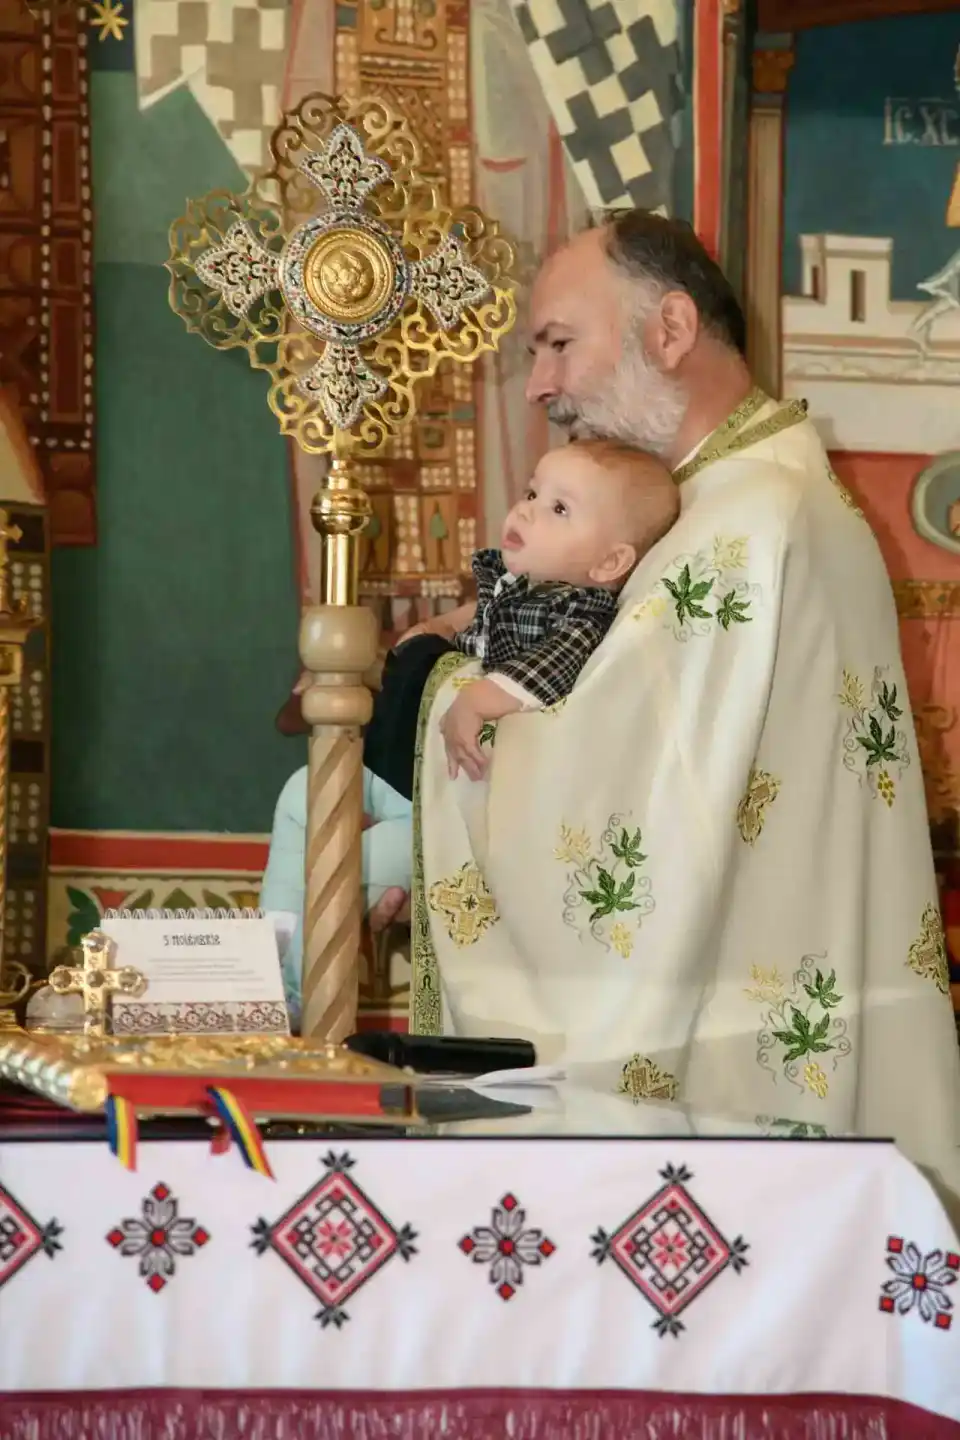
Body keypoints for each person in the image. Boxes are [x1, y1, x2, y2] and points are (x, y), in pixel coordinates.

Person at [411, 210, 960, 1189]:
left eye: (559, 344)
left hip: (723, 1111)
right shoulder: (760, 492)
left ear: (669, 332)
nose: (540, 386)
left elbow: (609, 789)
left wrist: (437, 693)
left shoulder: (742, 523)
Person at [261, 435, 678, 1023]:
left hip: (444, 813)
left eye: (559, 508)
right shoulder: (516, 591)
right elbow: (474, 626)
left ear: (609, 562)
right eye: (533, 492)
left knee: (340, 859)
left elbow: (557, 664)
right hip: (404, 776)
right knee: (297, 799)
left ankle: (298, 995)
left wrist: (476, 699)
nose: (527, 509)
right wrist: (435, 630)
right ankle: (267, 967)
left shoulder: (580, 609)